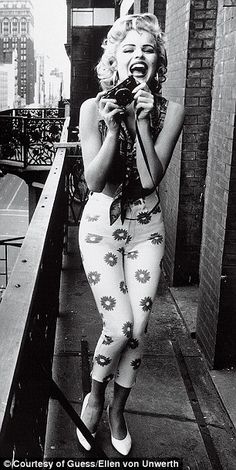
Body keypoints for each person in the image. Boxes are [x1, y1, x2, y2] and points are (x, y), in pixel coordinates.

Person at [77, 13, 184, 455]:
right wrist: (115, 124)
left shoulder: (171, 110)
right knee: (118, 323)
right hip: (102, 227)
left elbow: (149, 179)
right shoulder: (91, 109)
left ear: (158, 60)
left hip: (147, 229)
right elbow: (95, 181)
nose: (138, 55)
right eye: (128, 48)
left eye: (146, 48)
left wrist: (142, 122)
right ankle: (95, 395)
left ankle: (117, 410)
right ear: (114, 59)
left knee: (137, 328)